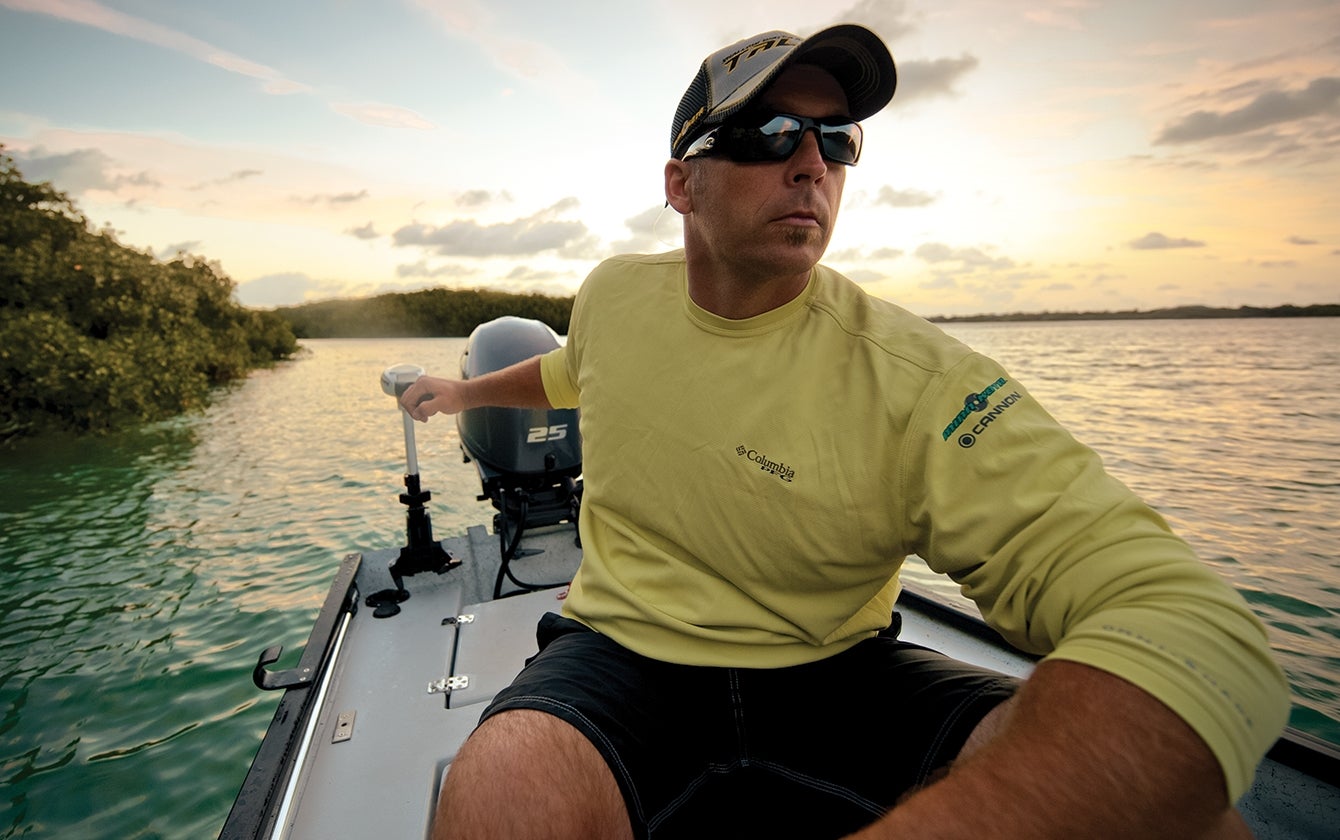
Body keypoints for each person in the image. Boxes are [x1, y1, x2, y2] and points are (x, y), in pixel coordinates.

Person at [401, 24, 1290, 840]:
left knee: (1190, 821)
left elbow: (1193, 629)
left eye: (837, 141)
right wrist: (462, 388)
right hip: (624, 650)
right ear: (681, 184)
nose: (810, 165)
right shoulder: (614, 295)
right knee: (500, 792)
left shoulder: (917, 381)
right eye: (768, 135)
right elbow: (569, 372)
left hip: (836, 672)